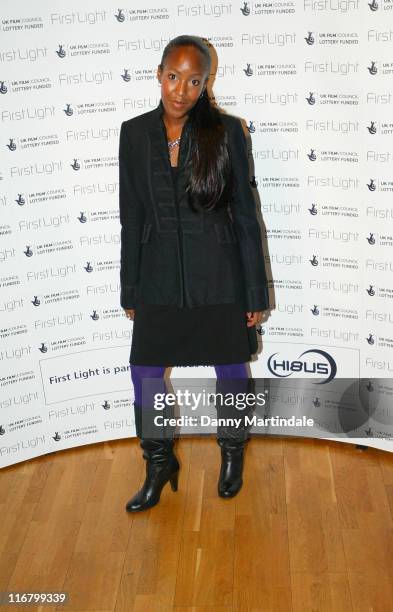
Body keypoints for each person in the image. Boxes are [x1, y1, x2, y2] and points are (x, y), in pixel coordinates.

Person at [118, 35, 269, 513]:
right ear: (159, 73)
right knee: (145, 372)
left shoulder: (226, 132)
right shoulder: (134, 133)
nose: (181, 89)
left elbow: (246, 215)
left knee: (231, 371)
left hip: (220, 277)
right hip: (159, 277)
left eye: (194, 80)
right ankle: (158, 461)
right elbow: (131, 217)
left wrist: (253, 290)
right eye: (173, 76)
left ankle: (232, 452)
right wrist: (131, 286)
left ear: (207, 84)